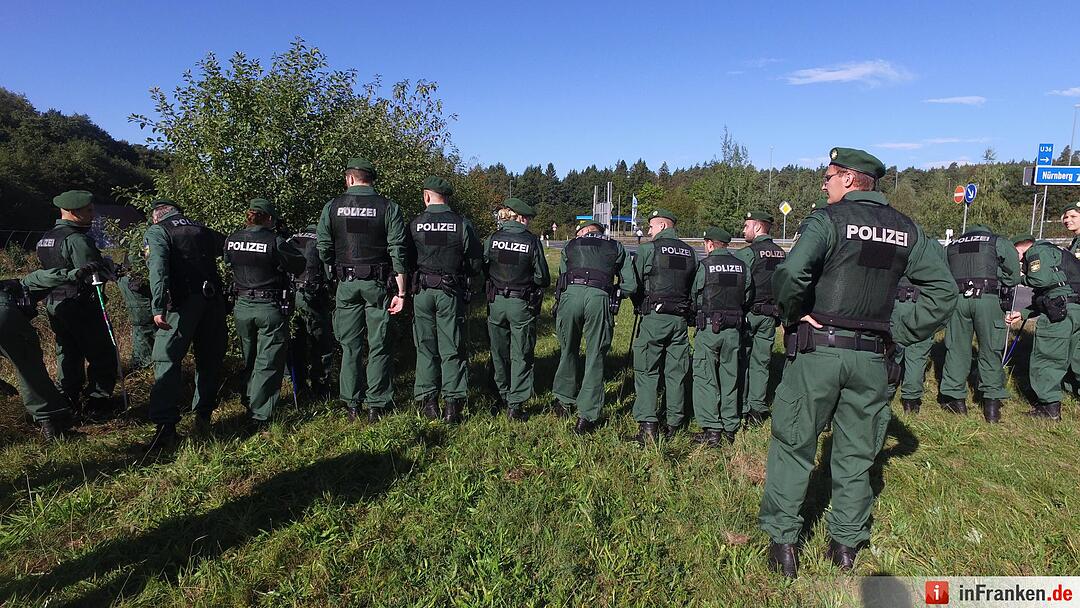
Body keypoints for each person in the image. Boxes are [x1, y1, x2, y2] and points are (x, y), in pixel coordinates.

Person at [759, 148, 956, 577]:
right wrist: (899, 329)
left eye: (828, 175)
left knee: (795, 443)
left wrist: (793, 313)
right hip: (873, 358)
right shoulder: (907, 229)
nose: (824, 183)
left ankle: (784, 543)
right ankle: (845, 545)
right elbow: (943, 291)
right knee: (858, 452)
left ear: (849, 180)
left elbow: (792, 274)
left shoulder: (827, 220)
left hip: (819, 351)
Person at [316, 157, 408, 423]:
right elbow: (397, 251)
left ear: (350, 178)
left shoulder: (332, 207)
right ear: (370, 179)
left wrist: (334, 276)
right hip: (378, 284)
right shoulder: (388, 207)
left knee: (350, 346)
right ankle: (375, 405)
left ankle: (351, 404)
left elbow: (323, 247)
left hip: (346, 283)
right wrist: (401, 292)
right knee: (379, 345)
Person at [144, 199, 228, 449]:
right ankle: (203, 417)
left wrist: (157, 306)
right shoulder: (202, 228)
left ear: (156, 216)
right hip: (212, 301)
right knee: (209, 359)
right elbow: (230, 249)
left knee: (166, 359)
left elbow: (157, 269)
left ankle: (165, 427)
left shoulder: (158, 231)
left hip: (181, 304)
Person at [224, 199, 306, 430]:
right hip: (268, 306)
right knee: (268, 360)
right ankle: (260, 414)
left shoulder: (233, 239)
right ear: (269, 218)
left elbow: (228, 261)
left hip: (242, 306)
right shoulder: (275, 241)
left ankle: (249, 399)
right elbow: (299, 265)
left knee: (249, 357)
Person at [35, 190, 117, 418]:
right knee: (102, 352)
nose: (93, 215)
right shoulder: (78, 240)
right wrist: (106, 268)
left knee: (68, 351)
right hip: (82, 304)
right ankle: (97, 403)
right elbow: (92, 274)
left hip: (56, 303)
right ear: (72, 212)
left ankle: (68, 398)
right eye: (88, 211)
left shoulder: (46, 238)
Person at [408, 176, 484, 423]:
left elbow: (406, 259)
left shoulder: (416, 224)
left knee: (425, 347)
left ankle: (428, 402)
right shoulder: (462, 224)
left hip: (421, 291)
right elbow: (474, 262)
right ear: (446, 197)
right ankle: (452, 405)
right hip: (450, 292)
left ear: (427, 196)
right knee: (452, 347)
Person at [1, 263, 105, 438]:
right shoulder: (24, 283)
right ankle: (55, 426)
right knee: (30, 370)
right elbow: (47, 276)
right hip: (5, 316)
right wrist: (75, 274)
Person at [552, 220, 637, 434]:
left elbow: (562, 276)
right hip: (599, 297)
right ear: (600, 231)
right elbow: (630, 284)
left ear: (582, 231)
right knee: (595, 355)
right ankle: (587, 416)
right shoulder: (615, 246)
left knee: (568, 349)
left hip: (570, 296)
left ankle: (563, 401)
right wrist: (617, 293)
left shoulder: (571, 245)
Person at [627, 208, 697, 444]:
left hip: (654, 317)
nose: (648, 231)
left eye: (651, 226)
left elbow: (633, 284)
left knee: (647, 370)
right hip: (679, 320)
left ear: (663, 226)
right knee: (676, 372)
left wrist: (640, 305)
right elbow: (695, 287)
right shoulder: (690, 252)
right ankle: (674, 424)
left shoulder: (648, 249)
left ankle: (648, 425)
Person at [938, 225, 1020, 422]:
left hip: (958, 299)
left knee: (956, 348)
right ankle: (991, 406)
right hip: (988, 298)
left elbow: (942, 274)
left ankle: (955, 400)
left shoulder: (951, 245)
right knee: (991, 348)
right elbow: (1014, 276)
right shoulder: (997, 241)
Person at [483, 197, 550, 420]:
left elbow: (482, 266)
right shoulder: (530, 241)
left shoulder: (493, 238)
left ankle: (501, 393)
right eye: (528, 219)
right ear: (520, 217)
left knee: (498, 351)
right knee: (521, 353)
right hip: (521, 303)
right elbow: (542, 277)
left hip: (495, 302)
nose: (529, 223)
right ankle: (516, 404)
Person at [1006, 235, 1080, 421]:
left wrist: (1017, 279)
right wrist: (1022, 314)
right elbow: (1055, 291)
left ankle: (1049, 407)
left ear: (1019, 248)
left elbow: (1040, 280)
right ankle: (1073, 394)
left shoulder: (1037, 251)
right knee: (1075, 357)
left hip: (1059, 315)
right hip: (1074, 310)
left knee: (1048, 357)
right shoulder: (1057, 253)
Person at [691, 227, 752, 446]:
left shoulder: (705, 267)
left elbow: (695, 295)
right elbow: (747, 296)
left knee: (706, 376)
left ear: (709, 244)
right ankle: (730, 426)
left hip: (709, 328)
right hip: (734, 329)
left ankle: (712, 430)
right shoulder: (742, 267)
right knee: (731, 376)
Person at [734, 210, 786, 426]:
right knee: (762, 362)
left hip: (749, 314)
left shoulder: (748, 253)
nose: (743, 230)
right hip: (770, 315)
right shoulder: (782, 253)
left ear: (757, 227)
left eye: (746, 226)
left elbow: (737, 285)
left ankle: (742, 405)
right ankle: (757, 409)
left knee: (742, 360)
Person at [287, 223, 334, 398]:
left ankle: (298, 385)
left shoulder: (292, 239)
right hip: (313, 297)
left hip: (292, 297)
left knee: (296, 342)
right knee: (320, 343)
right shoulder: (322, 241)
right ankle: (321, 388)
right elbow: (330, 272)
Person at [117, 238, 155, 371]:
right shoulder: (144, 234)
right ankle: (142, 366)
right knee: (144, 322)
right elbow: (138, 262)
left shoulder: (151, 230)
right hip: (135, 282)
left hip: (138, 281)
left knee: (147, 324)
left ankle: (145, 362)